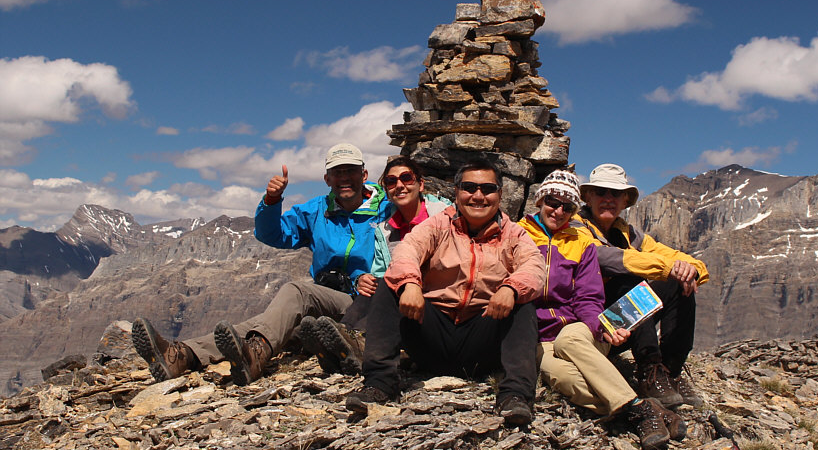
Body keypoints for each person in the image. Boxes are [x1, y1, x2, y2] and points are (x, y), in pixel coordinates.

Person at [132, 143, 392, 385]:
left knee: (297, 292)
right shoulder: (317, 211)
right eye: (337, 172)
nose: (344, 178)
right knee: (269, 324)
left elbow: (401, 252)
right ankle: (183, 355)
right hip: (326, 301)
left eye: (350, 171)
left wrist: (364, 281)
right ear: (327, 179)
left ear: (364, 173)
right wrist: (271, 201)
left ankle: (255, 357)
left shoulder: (386, 210)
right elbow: (274, 235)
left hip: (365, 304)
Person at [345, 159, 545, 425]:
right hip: (431, 334)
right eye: (469, 187)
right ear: (457, 192)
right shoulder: (438, 225)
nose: (478, 195)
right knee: (390, 286)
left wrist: (510, 287)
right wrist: (410, 283)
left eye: (487, 188)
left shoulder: (514, 235)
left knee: (522, 302)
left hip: (482, 340)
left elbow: (534, 267)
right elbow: (408, 251)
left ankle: (515, 395)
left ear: (499, 194)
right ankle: (380, 383)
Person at [519, 170, 686, 450]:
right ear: (539, 200)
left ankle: (646, 397)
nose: (558, 211)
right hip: (539, 335)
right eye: (552, 201)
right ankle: (642, 408)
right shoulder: (519, 235)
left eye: (567, 206)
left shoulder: (581, 242)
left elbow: (588, 297)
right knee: (561, 376)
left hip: (578, 328)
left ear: (574, 209)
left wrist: (602, 327)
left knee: (569, 339)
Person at [300, 156, 451, 375]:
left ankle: (356, 342)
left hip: (435, 296)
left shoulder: (443, 215)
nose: (399, 185)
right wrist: (366, 278)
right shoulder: (386, 229)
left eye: (406, 178)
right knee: (374, 287)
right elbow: (382, 271)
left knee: (390, 289)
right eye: (391, 182)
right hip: (403, 293)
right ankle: (342, 340)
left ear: (421, 183)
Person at [579, 163, 709, 408]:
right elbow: (605, 258)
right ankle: (648, 368)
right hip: (592, 325)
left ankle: (670, 371)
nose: (608, 199)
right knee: (628, 278)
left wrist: (692, 269)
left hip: (621, 326)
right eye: (600, 192)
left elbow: (672, 255)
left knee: (677, 282)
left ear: (625, 199)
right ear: (587, 197)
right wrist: (667, 267)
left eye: (615, 193)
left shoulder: (629, 234)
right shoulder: (576, 228)